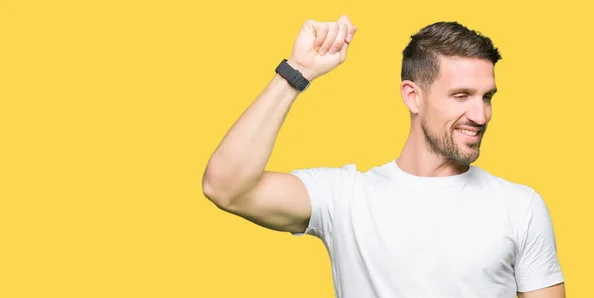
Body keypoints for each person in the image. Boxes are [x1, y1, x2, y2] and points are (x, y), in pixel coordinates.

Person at [202, 15, 566, 298]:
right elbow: (225, 186)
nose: (481, 115)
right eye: (462, 95)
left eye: (487, 97)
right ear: (412, 96)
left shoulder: (520, 206)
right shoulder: (346, 198)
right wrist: (298, 72)